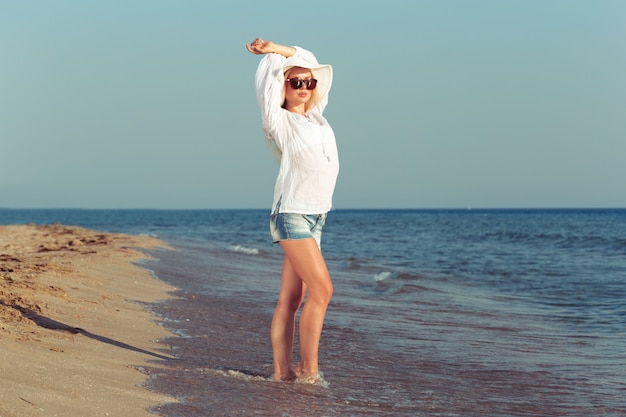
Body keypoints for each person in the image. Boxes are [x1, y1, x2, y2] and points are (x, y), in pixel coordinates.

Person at [245, 38, 339, 384]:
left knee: (291, 298)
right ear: (282, 86)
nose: (303, 87)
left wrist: (281, 46)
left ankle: (282, 372)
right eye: (295, 81)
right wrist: (272, 53)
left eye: (308, 82)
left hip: (316, 218)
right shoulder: (279, 121)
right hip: (293, 216)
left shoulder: (317, 119)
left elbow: (311, 59)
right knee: (323, 290)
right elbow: (267, 81)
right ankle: (309, 371)